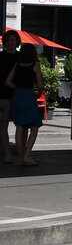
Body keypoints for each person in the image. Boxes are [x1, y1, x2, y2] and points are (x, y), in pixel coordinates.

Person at [5, 44, 43, 166]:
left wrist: (17, 88)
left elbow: (8, 81)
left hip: (18, 95)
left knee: (19, 126)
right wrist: (39, 93)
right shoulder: (35, 66)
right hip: (29, 95)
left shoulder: (17, 65)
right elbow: (40, 85)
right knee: (34, 126)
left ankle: (21, 158)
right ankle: (27, 154)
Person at [0, 30, 18, 164]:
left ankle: (20, 151)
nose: (10, 42)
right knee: (3, 124)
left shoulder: (21, 57)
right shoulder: (1, 57)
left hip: (18, 95)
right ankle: (7, 152)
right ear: (5, 42)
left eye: (13, 40)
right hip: (3, 94)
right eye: (8, 40)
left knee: (21, 125)